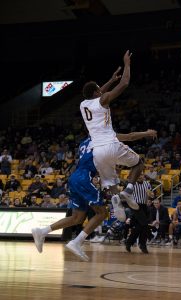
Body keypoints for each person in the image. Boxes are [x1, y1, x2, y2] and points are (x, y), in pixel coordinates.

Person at [31, 129, 156, 261]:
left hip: (74, 178)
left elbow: (96, 161)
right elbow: (130, 137)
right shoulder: (102, 138)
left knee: (77, 218)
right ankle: (77, 242)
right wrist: (146, 133)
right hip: (84, 178)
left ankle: (42, 231)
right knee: (102, 213)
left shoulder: (83, 143)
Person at [80, 50, 148, 215]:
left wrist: (110, 80)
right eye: (99, 89)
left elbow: (96, 94)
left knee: (110, 182)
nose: (101, 91)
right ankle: (129, 190)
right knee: (138, 163)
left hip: (97, 151)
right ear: (97, 93)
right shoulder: (102, 100)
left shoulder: (83, 104)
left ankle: (116, 201)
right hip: (111, 143)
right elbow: (124, 83)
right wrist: (127, 64)